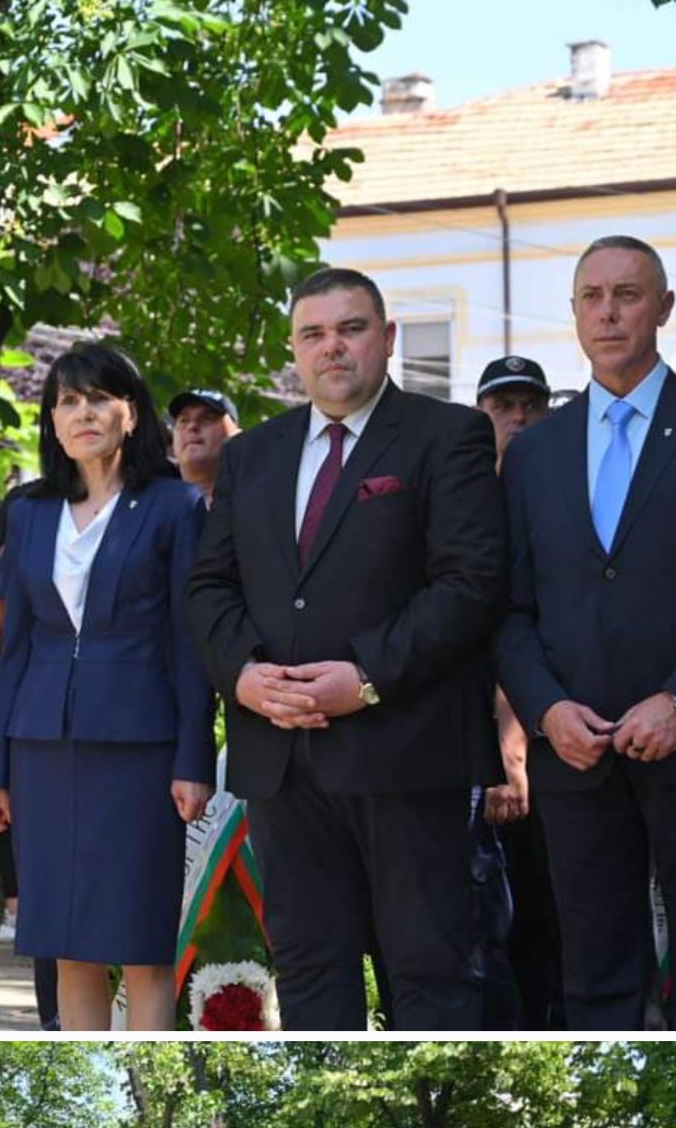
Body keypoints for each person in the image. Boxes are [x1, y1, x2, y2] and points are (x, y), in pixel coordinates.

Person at [187, 268, 506, 1030]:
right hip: (282, 761)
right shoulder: (252, 456)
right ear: (294, 351)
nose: (333, 348)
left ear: (388, 338)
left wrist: (365, 677)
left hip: (405, 752)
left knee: (427, 969)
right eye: (314, 334)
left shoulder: (447, 435)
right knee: (306, 970)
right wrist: (245, 676)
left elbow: (470, 584)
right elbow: (207, 587)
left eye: (352, 329)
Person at [493, 238, 676, 1026]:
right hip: (576, 756)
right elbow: (510, 610)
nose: (609, 311)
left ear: (662, 308)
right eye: (591, 296)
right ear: (575, 314)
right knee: (592, 982)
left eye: (627, 293)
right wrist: (547, 710)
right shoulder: (534, 455)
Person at [0, 342, 216, 1029]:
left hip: (140, 750)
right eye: (68, 401)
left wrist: (193, 759)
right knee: (66, 948)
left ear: (131, 414)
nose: (84, 413)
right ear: (51, 420)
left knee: (141, 948)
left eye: (100, 399)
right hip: (41, 749)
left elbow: (190, 645)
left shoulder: (174, 507)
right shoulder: (27, 513)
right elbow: (14, 647)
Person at [471, 355, 563, 1031]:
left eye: (530, 403)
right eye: (503, 405)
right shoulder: (464, 507)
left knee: (552, 914)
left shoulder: (567, 498)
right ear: (482, 416)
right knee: (492, 925)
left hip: (562, 737)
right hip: (486, 750)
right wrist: (508, 750)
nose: (519, 416)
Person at [166, 387, 239, 506]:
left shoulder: (262, 499)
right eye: (184, 420)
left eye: (208, 418)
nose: (192, 426)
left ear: (236, 435)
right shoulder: (149, 503)